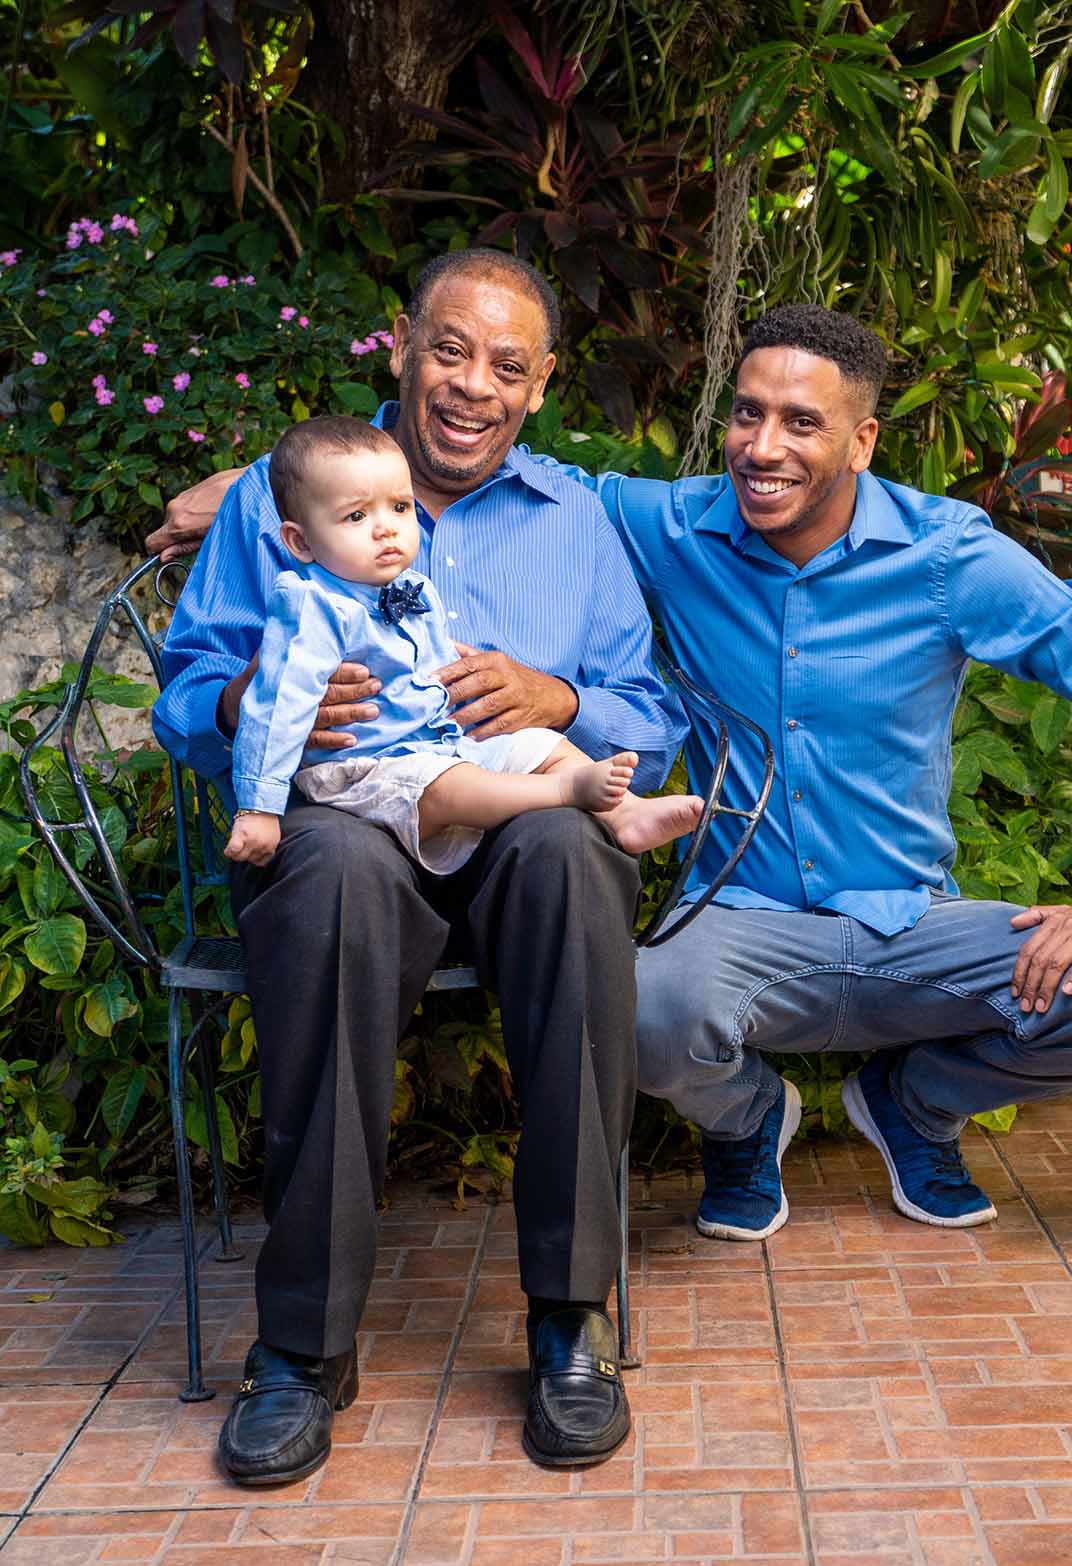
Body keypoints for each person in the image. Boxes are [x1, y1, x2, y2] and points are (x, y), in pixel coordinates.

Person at [153, 292, 1072, 1261]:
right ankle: (748, 1123)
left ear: (861, 441)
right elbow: (460, 456)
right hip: (740, 924)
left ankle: (914, 1103)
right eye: (747, 414)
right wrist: (260, 483)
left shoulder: (946, 556)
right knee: (639, 1008)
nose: (763, 447)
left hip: (909, 921)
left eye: (801, 422)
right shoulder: (669, 522)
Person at [152, 249, 689, 1487]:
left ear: (540, 386)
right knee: (334, 875)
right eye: (448, 349)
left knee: (569, 852)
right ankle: (302, 1348)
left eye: (506, 365)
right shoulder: (280, 497)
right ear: (400, 345)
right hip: (344, 823)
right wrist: (250, 700)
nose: (471, 385)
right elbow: (185, 695)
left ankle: (569, 1319)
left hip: (511, 827)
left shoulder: (576, 521)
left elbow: (646, 710)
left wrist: (556, 696)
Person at [226, 415, 701, 869]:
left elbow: (437, 675)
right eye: (355, 515)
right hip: (365, 770)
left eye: (399, 507)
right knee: (447, 785)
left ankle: (626, 814)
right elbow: (276, 707)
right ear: (301, 543)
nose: (386, 527)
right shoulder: (312, 608)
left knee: (539, 743)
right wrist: (258, 808)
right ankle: (566, 791)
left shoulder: (413, 590)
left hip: (440, 746)